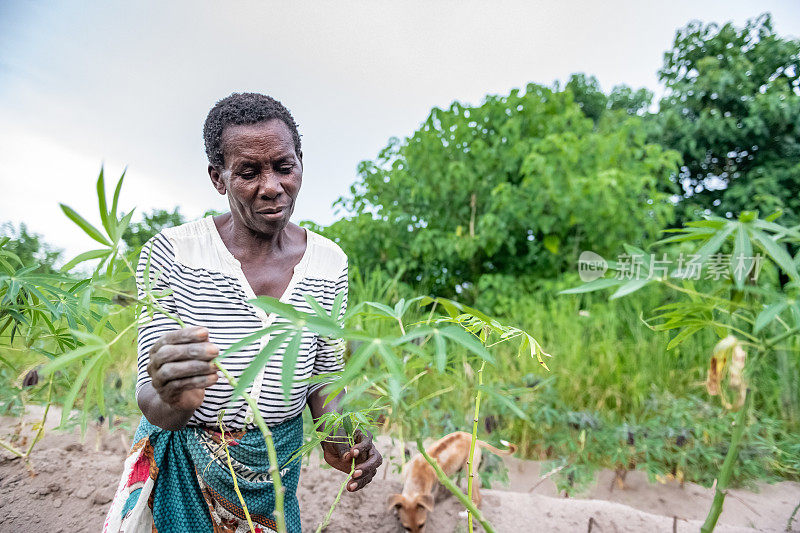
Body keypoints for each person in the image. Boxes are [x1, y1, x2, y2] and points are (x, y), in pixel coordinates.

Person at [104, 93, 382, 533]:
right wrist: (175, 397)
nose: (271, 186)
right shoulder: (172, 254)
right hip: (184, 465)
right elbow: (152, 400)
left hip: (273, 470)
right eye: (249, 172)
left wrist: (343, 437)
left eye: (284, 167)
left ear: (300, 163)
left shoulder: (330, 262)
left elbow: (324, 375)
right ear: (218, 178)